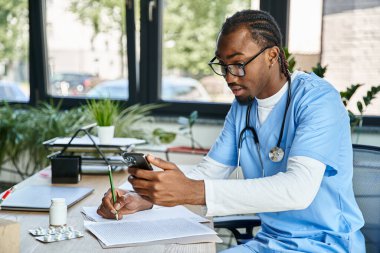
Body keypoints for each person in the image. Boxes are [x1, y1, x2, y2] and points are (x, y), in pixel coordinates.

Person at [97, 10, 365, 252]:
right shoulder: (243, 107)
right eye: (223, 66)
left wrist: (194, 191)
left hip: (326, 244)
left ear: (273, 55)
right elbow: (208, 173)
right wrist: (146, 196)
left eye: (238, 64)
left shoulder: (317, 99)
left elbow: (299, 189)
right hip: (269, 242)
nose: (229, 76)